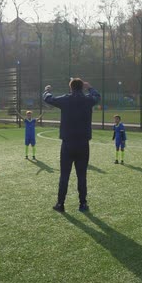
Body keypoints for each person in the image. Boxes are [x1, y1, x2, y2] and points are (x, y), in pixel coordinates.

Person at [43, 78, 101, 212]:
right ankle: (83, 204)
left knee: (64, 175)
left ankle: (60, 204)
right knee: (82, 175)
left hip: (68, 144)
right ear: (82, 88)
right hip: (83, 144)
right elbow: (97, 96)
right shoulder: (88, 100)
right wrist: (90, 87)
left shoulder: (65, 99)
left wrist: (47, 90)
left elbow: (49, 99)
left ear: (70, 88)